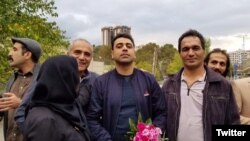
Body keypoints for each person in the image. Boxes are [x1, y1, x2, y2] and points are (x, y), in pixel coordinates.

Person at [162, 29, 240, 141]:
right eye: (185, 49)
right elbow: (161, 119)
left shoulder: (223, 85)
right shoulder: (169, 85)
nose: (190, 53)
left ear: (204, 51)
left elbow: (233, 123)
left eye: (195, 48)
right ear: (180, 54)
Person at [87, 33, 166, 141]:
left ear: (134, 53)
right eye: (119, 46)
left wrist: (150, 136)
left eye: (129, 46)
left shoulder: (149, 80)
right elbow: (92, 119)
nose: (124, 48)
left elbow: (161, 113)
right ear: (112, 54)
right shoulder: (101, 82)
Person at [14, 38, 98, 131]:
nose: (82, 57)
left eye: (87, 54)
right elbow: (21, 112)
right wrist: (34, 134)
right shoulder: (49, 77)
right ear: (67, 54)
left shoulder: (96, 81)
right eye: (77, 52)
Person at [23, 55, 90, 141]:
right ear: (65, 80)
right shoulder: (45, 120)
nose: (78, 80)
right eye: (75, 75)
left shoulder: (69, 107)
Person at [0, 37, 41, 141]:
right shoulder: (12, 78)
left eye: (14, 50)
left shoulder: (44, 77)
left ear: (27, 55)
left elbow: (51, 108)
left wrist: (20, 103)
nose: (9, 53)